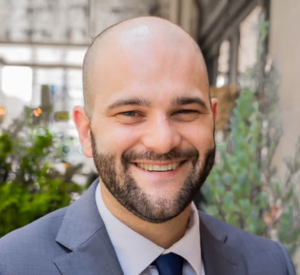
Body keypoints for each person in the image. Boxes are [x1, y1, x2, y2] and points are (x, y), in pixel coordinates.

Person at [0, 16, 295, 275]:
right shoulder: (12, 264)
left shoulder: (270, 263)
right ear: (86, 132)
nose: (163, 141)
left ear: (212, 119)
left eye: (186, 111)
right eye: (130, 113)